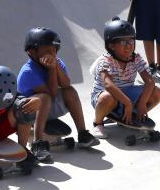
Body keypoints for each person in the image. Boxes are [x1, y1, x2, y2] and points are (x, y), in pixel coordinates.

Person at [17, 27, 100, 160]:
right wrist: (51, 70)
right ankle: (38, 144)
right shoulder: (28, 72)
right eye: (47, 50)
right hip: (29, 114)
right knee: (44, 98)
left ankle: (83, 134)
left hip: (47, 109)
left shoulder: (57, 62)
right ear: (32, 51)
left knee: (70, 91)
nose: (53, 54)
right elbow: (51, 94)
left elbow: (66, 84)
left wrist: (55, 67)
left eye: (55, 50)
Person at [89, 18, 160, 139]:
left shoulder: (136, 58)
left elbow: (149, 81)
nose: (129, 46)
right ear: (111, 45)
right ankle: (98, 123)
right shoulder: (105, 61)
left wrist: (142, 103)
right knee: (108, 97)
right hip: (105, 95)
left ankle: (131, 114)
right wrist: (127, 103)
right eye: (123, 42)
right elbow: (108, 85)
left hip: (127, 92)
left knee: (157, 93)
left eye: (131, 41)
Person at [0, 65, 41, 163]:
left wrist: (37, 100)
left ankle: (23, 148)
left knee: (25, 106)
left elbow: (24, 100)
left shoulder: (12, 94)